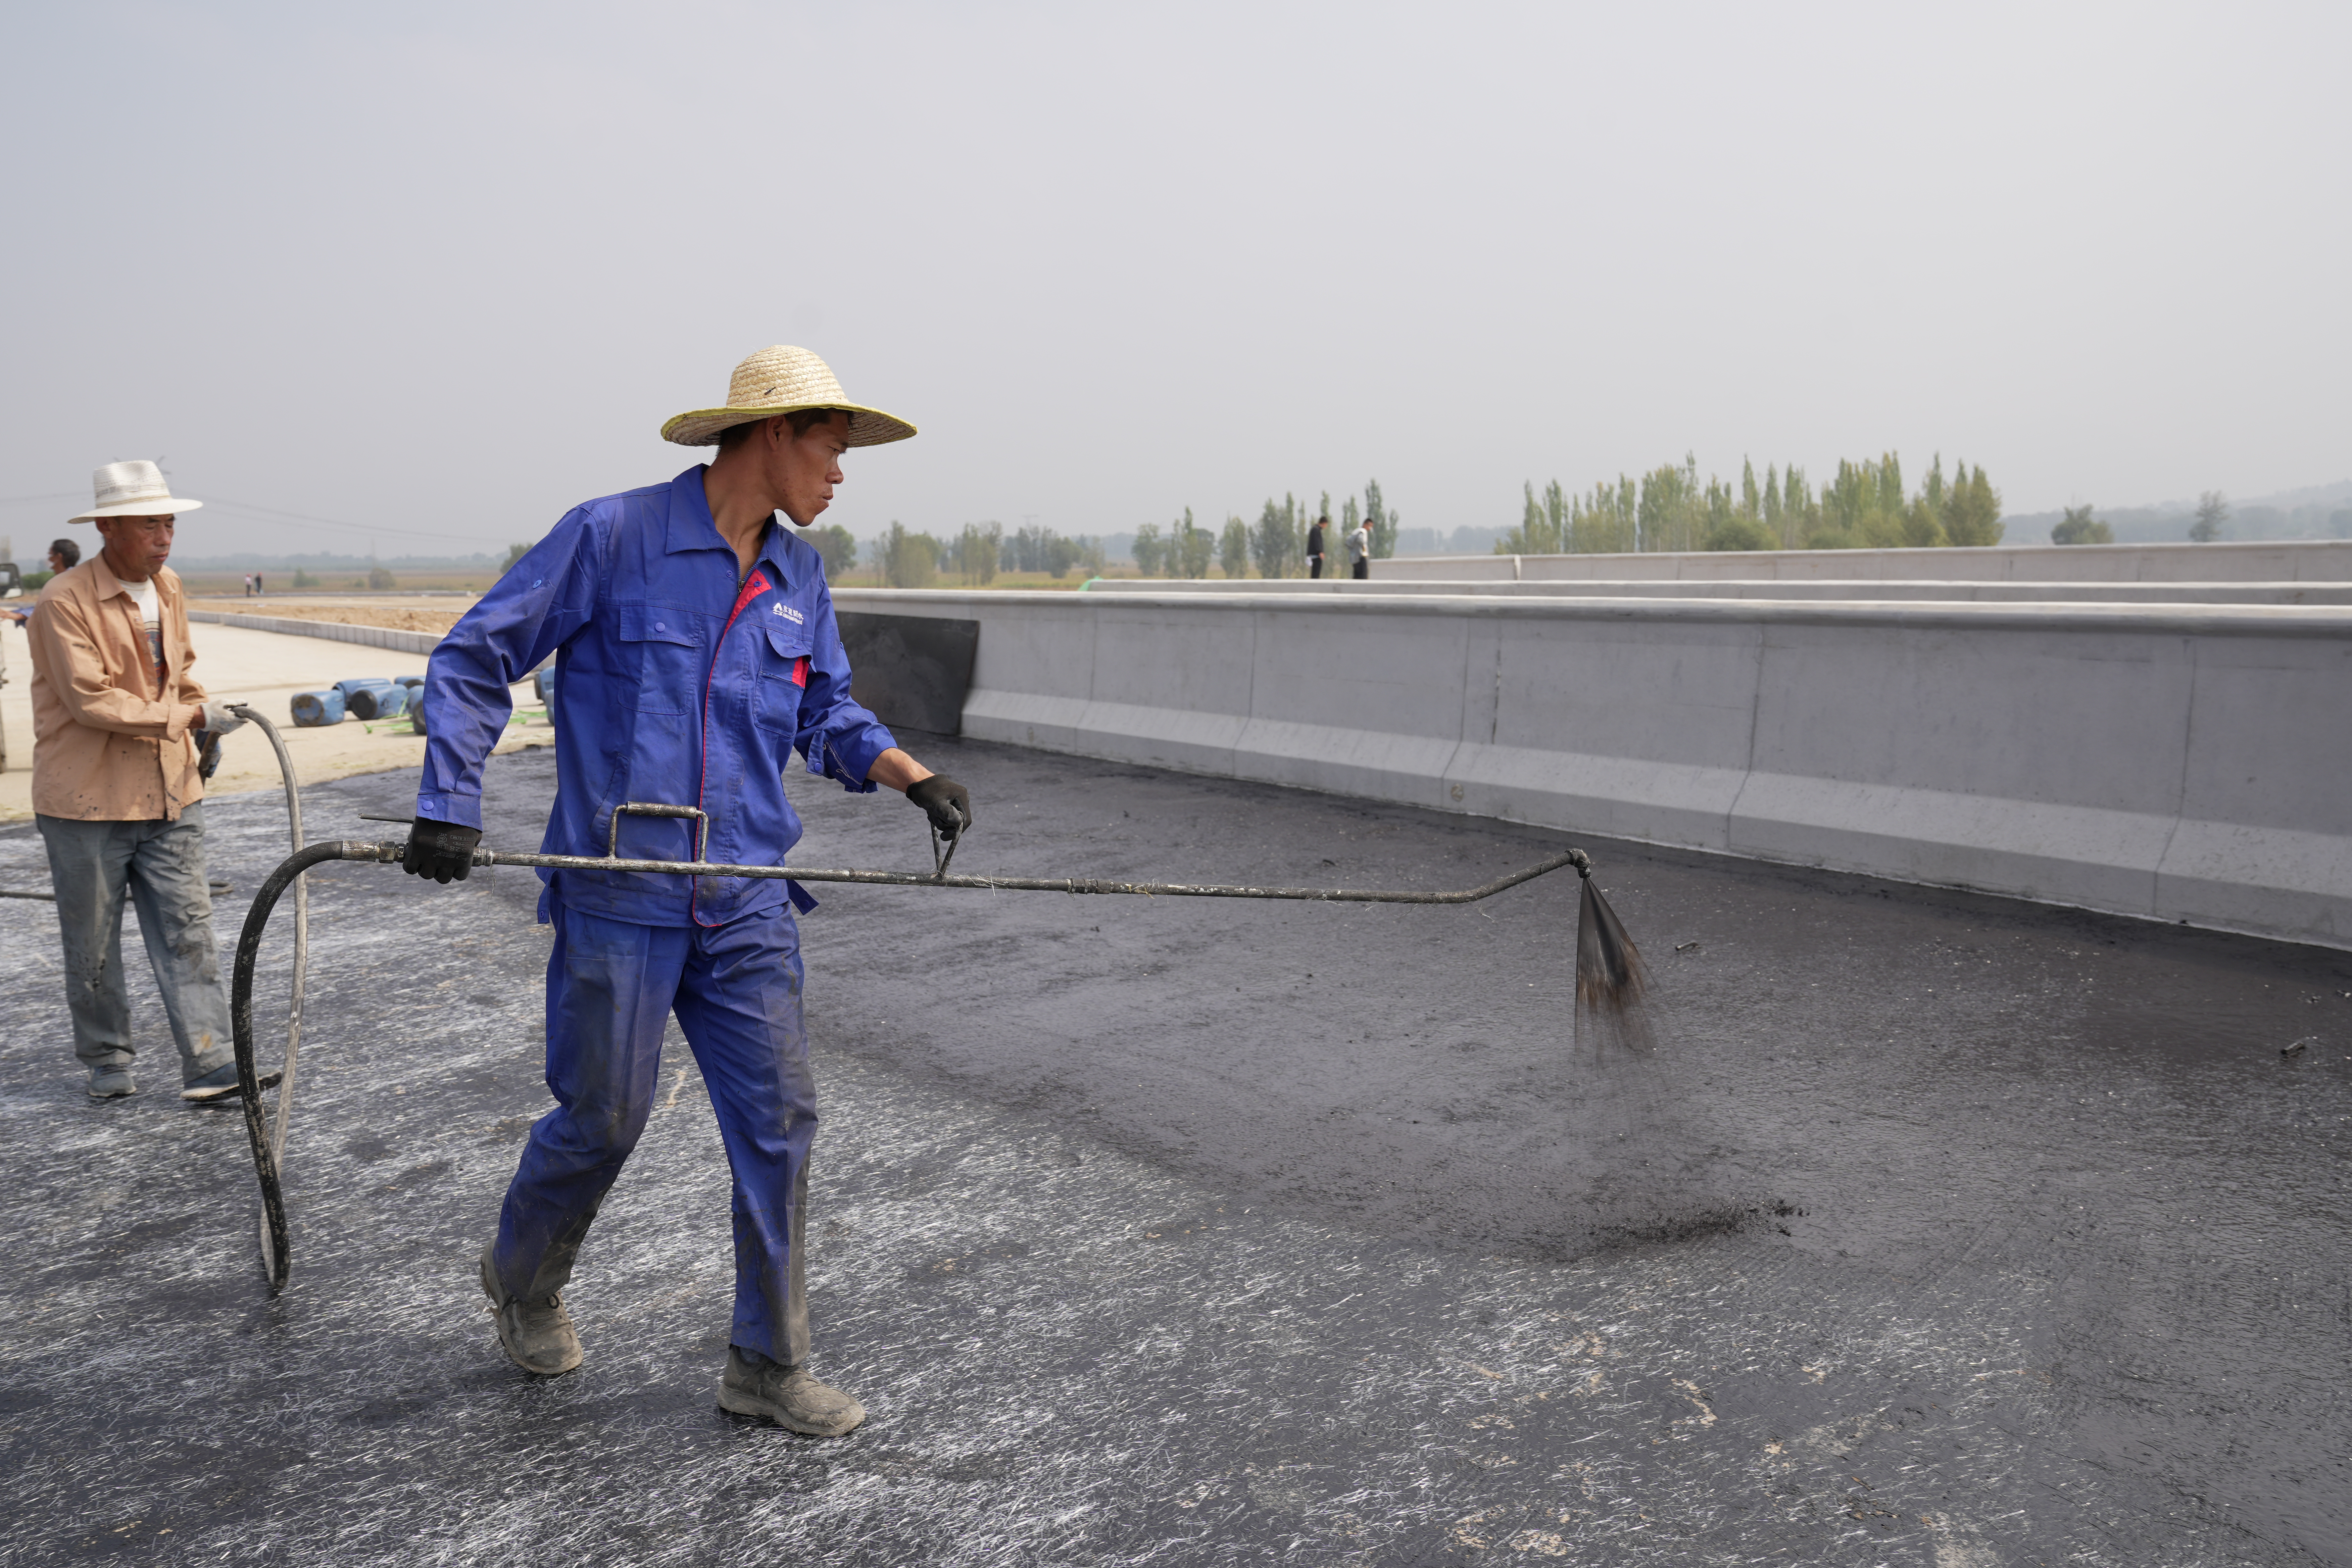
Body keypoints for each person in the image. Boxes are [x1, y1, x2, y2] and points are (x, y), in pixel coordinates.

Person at [405, 345, 972, 1437]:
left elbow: (824, 714)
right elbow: (476, 657)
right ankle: (522, 1276)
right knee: (603, 1119)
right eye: (831, 447)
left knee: (778, 1122)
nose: (841, 474)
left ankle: (766, 1363)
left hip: (746, 895)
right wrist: (449, 799)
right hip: (620, 893)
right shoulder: (610, 537)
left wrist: (910, 776)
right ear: (769, 436)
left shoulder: (798, 578)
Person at [28, 462, 251, 1102]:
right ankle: (106, 1057)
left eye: (169, 522)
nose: (164, 536)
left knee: (190, 927)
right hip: (87, 800)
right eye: (149, 523)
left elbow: (180, 676)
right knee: (93, 940)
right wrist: (187, 717)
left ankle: (210, 1064)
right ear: (107, 527)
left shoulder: (170, 588)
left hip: (170, 790)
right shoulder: (63, 600)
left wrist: (204, 719)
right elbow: (90, 701)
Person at [5, 540, 81, 627]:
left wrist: (19, 615)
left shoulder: (66, 582)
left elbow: (49, 609)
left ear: (58, 557)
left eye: (50, 555)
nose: (48, 559)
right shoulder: (72, 578)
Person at [1347, 513, 1372, 579]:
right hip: (1361, 557)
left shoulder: (1357, 531)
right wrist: (1363, 546)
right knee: (1363, 576)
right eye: (1370, 526)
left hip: (1355, 558)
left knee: (1357, 576)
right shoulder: (1363, 531)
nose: (1370, 529)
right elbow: (1360, 539)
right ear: (1365, 524)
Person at [1305, 514, 1327, 579]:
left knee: (1316, 574)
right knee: (1316, 574)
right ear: (1324, 523)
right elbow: (1317, 542)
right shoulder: (1316, 530)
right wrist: (1320, 552)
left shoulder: (1316, 529)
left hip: (1315, 556)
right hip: (1316, 556)